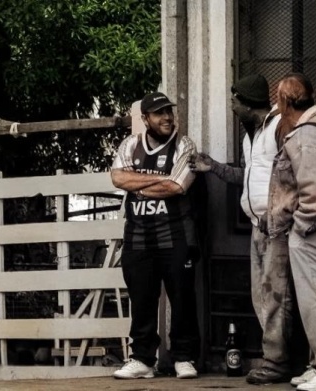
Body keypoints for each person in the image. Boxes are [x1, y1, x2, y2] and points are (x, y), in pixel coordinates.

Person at [189, 74, 306, 384]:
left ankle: (278, 362)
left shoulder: (281, 126)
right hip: (258, 227)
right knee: (262, 296)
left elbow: (295, 171)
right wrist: (211, 166)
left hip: (278, 225)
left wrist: (281, 212)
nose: (231, 107)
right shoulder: (250, 135)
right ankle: (281, 360)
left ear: (246, 103)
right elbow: (248, 177)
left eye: (234, 102)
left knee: (277, 297)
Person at [110, 92, 200, 380]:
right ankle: (142, 360)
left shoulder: (184, 145)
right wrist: (160, 178)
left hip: (175, 234)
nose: (167, 118)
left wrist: (138, 183)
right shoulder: (130, 144)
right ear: (145, 118)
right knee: (141, 299)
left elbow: (177, 187)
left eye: (169, 112)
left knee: (182, 298)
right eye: (159, 113)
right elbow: (117, 178)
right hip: (137, 235)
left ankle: (183, 358)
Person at [267, 73, 316, 391]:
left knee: (314, 300)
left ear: (285, 101)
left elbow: (314, 190)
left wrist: (301, 226)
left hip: (311, 231)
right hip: (311, 228)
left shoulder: (306, 133)